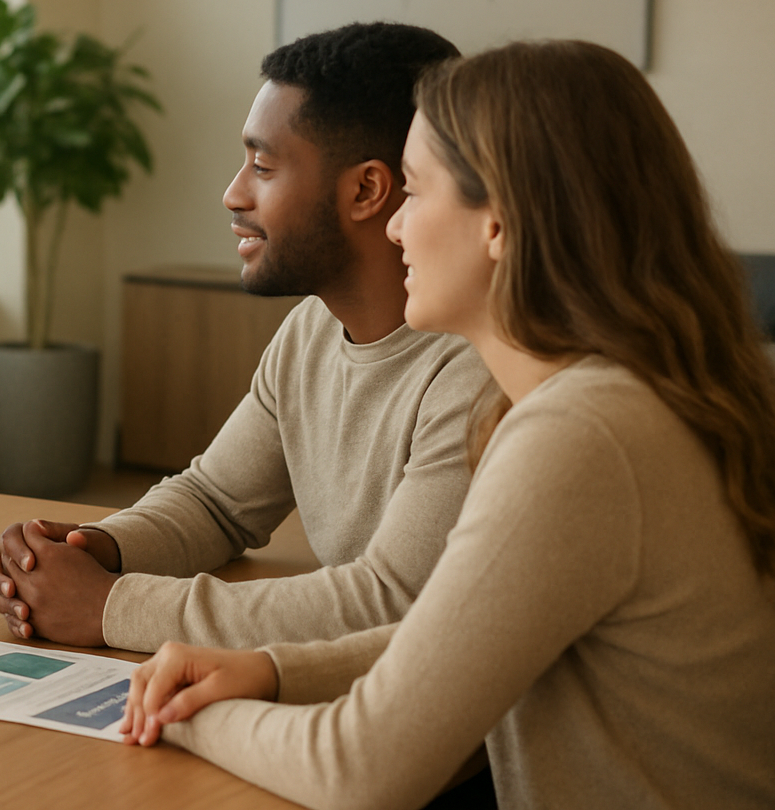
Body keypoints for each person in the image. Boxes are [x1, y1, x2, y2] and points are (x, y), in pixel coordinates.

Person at [120, 40, 775, 810]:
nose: (395, 229)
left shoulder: (581, 436)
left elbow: (357, 770)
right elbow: (478, 634)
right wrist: (274, 671)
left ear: (497, 225)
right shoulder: (635, 392)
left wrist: (185, 715)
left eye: (417, 193)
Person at [0, 23, 489, 654]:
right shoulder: (311, 329)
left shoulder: (480, 366)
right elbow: (218, 502)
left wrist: (111, 607)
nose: (233, 192)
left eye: (263, 165)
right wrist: (90, 551)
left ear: (366, 190)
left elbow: (393, 603)